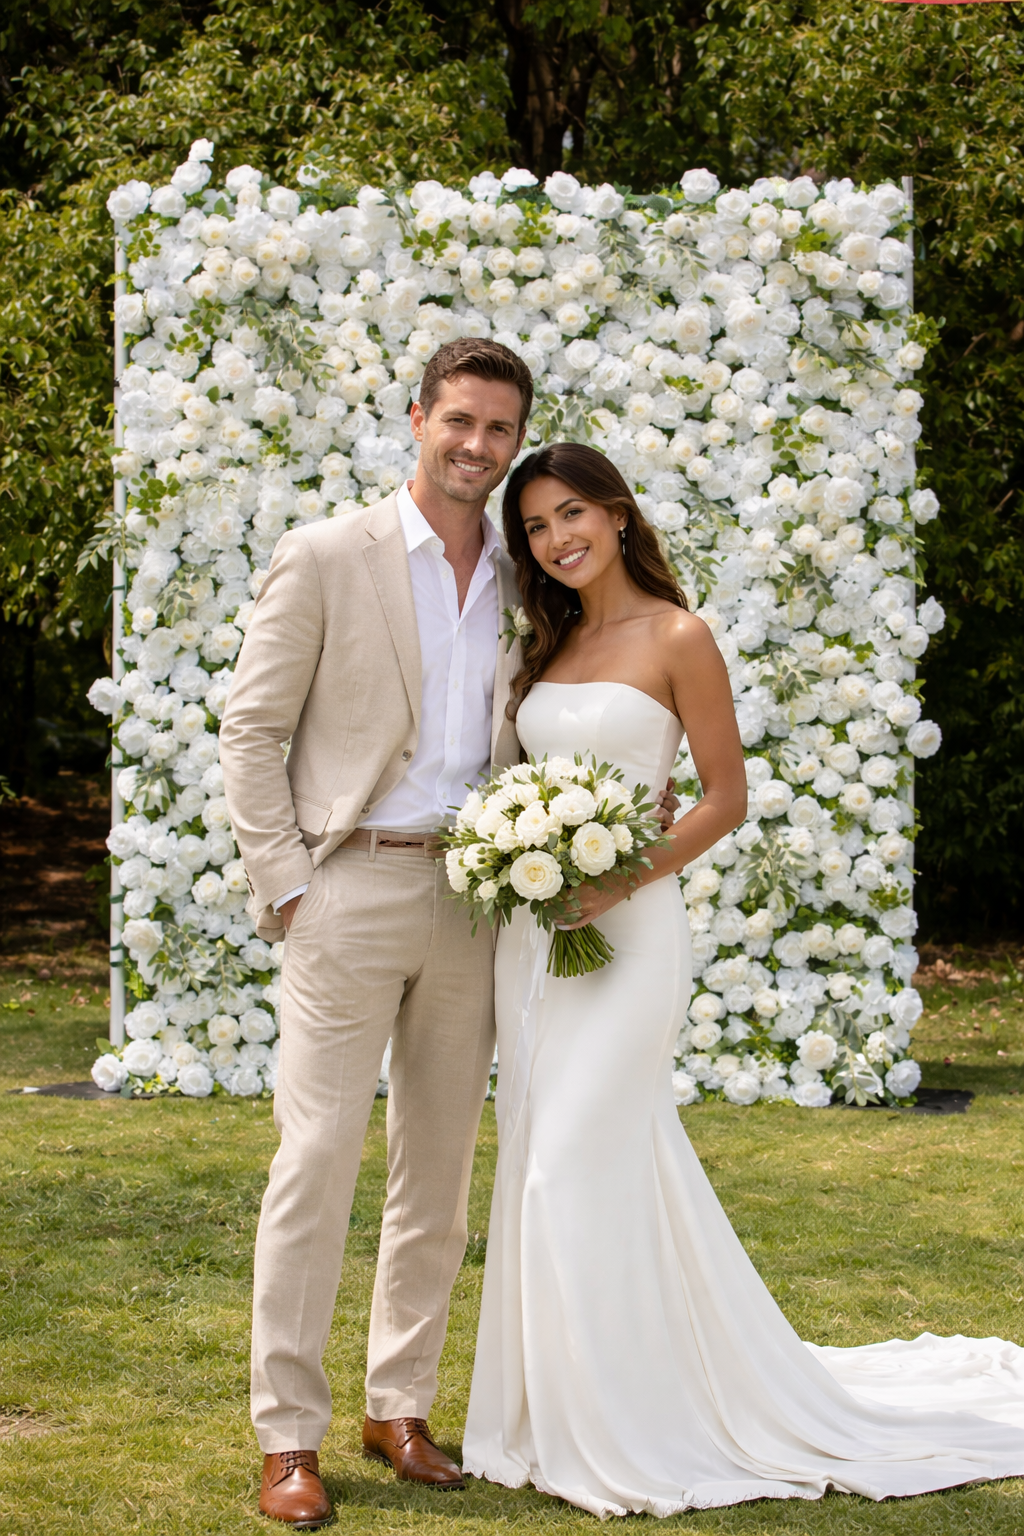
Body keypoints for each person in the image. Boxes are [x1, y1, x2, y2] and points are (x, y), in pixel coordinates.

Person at [462, 441, 1024, 1518]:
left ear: (618, 515)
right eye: (534, 527)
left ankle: (623, 1425)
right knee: (563, 1156)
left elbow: (723, 796)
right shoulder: (548, 643)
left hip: (629, 932)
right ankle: (555, 1409)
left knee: (566, 1163)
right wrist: (521, 855)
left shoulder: (679, 635)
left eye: (571, 513)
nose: (556, 539)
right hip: (536, 936)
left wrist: (619, 877)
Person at [220, 339, 684, 1526]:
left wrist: (640, 809)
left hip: (478, 902)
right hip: (349, 891)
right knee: (316, 1159)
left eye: (497, 430)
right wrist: (287, 888)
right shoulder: (329, 555)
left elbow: (583, 712)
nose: (475, 447)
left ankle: (400, 1405)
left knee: (439, 1169)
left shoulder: (532, 583)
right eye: (458, 422)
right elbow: (250, 731)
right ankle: (288, 1439)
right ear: (416, 417)